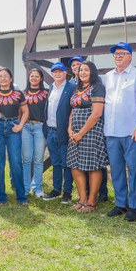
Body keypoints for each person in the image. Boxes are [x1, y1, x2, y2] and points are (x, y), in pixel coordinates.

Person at [104, 42, 136, 222]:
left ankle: (134, 206)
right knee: (116, 169)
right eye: (115, 54)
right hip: (111, 131)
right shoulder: (108, 76)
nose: (118, 56)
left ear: (130, 56)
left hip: (131, 131)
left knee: (135, 169)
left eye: (122, 53)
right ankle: (120, 203)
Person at [67, 61, 107, 212]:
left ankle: (91, 202)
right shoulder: (77, 88)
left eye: (86, 70)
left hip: (91, 131)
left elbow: (97, 113)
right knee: (75, 165)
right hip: (75, 133)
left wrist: (80, 133)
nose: (82, 72)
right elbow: (73, 110)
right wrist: (70, 129)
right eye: (81, 70)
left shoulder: (97, 87)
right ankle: (82, 199)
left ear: (92, 72)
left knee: (92, 165)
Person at [0, 67, 28, 206]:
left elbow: (25, 111)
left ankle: (21, 196)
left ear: (10, 79)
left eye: (6, 76)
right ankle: (1, 196)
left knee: (16, 162)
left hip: (12, 128)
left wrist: (20, 126)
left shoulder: (18, 94)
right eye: (0, 76)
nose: (3, 78)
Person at [42, 63, 76, 204]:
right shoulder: (51, 87)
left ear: (65, 73)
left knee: (66, 163)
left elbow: (72, 110)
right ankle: (56, 189)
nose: (57, 74)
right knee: (55, 162)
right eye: (54, 72)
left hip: (63, 131)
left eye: (60, 71)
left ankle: (67, 192)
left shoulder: (71, 88)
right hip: (51, 131)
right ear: (52, 74)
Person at [22, 68, 48, 198]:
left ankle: (37, 188)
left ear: (41, 78)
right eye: (32, 76)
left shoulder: (46, 93)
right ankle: (25, 188)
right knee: (26, 159)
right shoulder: (22, 94)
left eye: (37, 76)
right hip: (25, 127)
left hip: (40, 127)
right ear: (28, 77)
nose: (34, 78)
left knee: (38, 159)